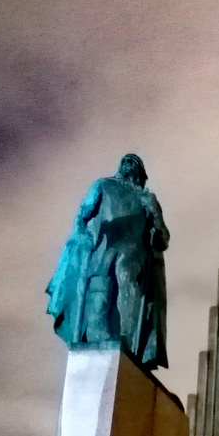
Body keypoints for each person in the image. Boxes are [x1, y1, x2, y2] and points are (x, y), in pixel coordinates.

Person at [46, 153, 170, 370]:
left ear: (141, 175)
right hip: (105, 243)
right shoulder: (103, 185)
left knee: (127, 282)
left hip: (133, 250)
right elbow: (84, 213)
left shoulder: (146, 198)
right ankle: (97, 334)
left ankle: (126, 337)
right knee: (99, 284)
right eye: (128, 162)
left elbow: (162, 239)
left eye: (136, 164)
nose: (130, 165)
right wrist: (82, 233)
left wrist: (156, 216)